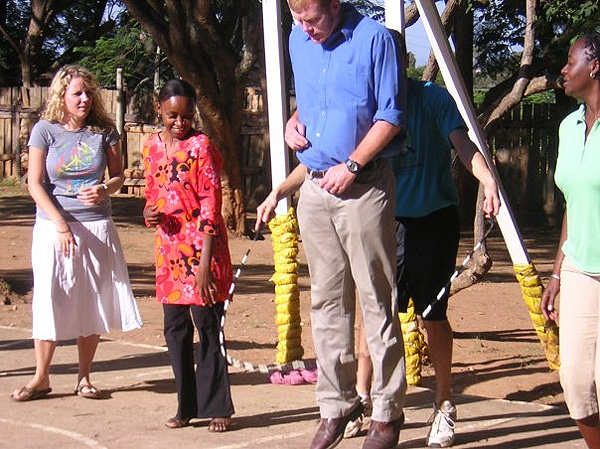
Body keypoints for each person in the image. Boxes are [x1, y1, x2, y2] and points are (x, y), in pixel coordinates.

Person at [258, 1, 407, 448]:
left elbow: (392, 114)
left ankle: (386, 412)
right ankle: (335, 406)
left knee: (376, 302)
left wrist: (355, 163)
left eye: (313, 18)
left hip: (364, 186)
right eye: (297, 19)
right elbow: (313, 105)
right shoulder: (297, 41)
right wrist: (292, 123)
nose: (306, 28)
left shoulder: (375, 40)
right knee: (326, 304)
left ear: (336, 5)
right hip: (316, 190)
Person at [11, 65, 142, 402]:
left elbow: (118, 177)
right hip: (54, 228)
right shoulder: (45, 130)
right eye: (77, 93)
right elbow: (34, 184)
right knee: (49, 298)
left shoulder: (104, 131)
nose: (84, 99)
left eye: (88, 92)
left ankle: (84, 377)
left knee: (92, 300)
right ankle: (41, 377)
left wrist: (104, 189)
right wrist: (59, 223)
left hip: (96, 225)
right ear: (62, 96)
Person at [142, 79, 234, 432]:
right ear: (159, 110)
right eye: (172, 116)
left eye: (186, 115)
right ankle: (186, 406)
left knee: (207, 327)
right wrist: (149, 215)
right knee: (175, 330)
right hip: (168, 254)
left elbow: (212, 207)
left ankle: (219, 407)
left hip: (202, 252)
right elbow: (153, 196)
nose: (179, 122)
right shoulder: (151, 148)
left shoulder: (201, 146)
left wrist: (205, 267)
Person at [542, 33, 600, 449]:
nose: (563, 69)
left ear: (594, 66)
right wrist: (558, 272)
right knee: (576, 384)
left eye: (570, 60)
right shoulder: (569, 126)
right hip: (580, 267)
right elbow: (572, 203)